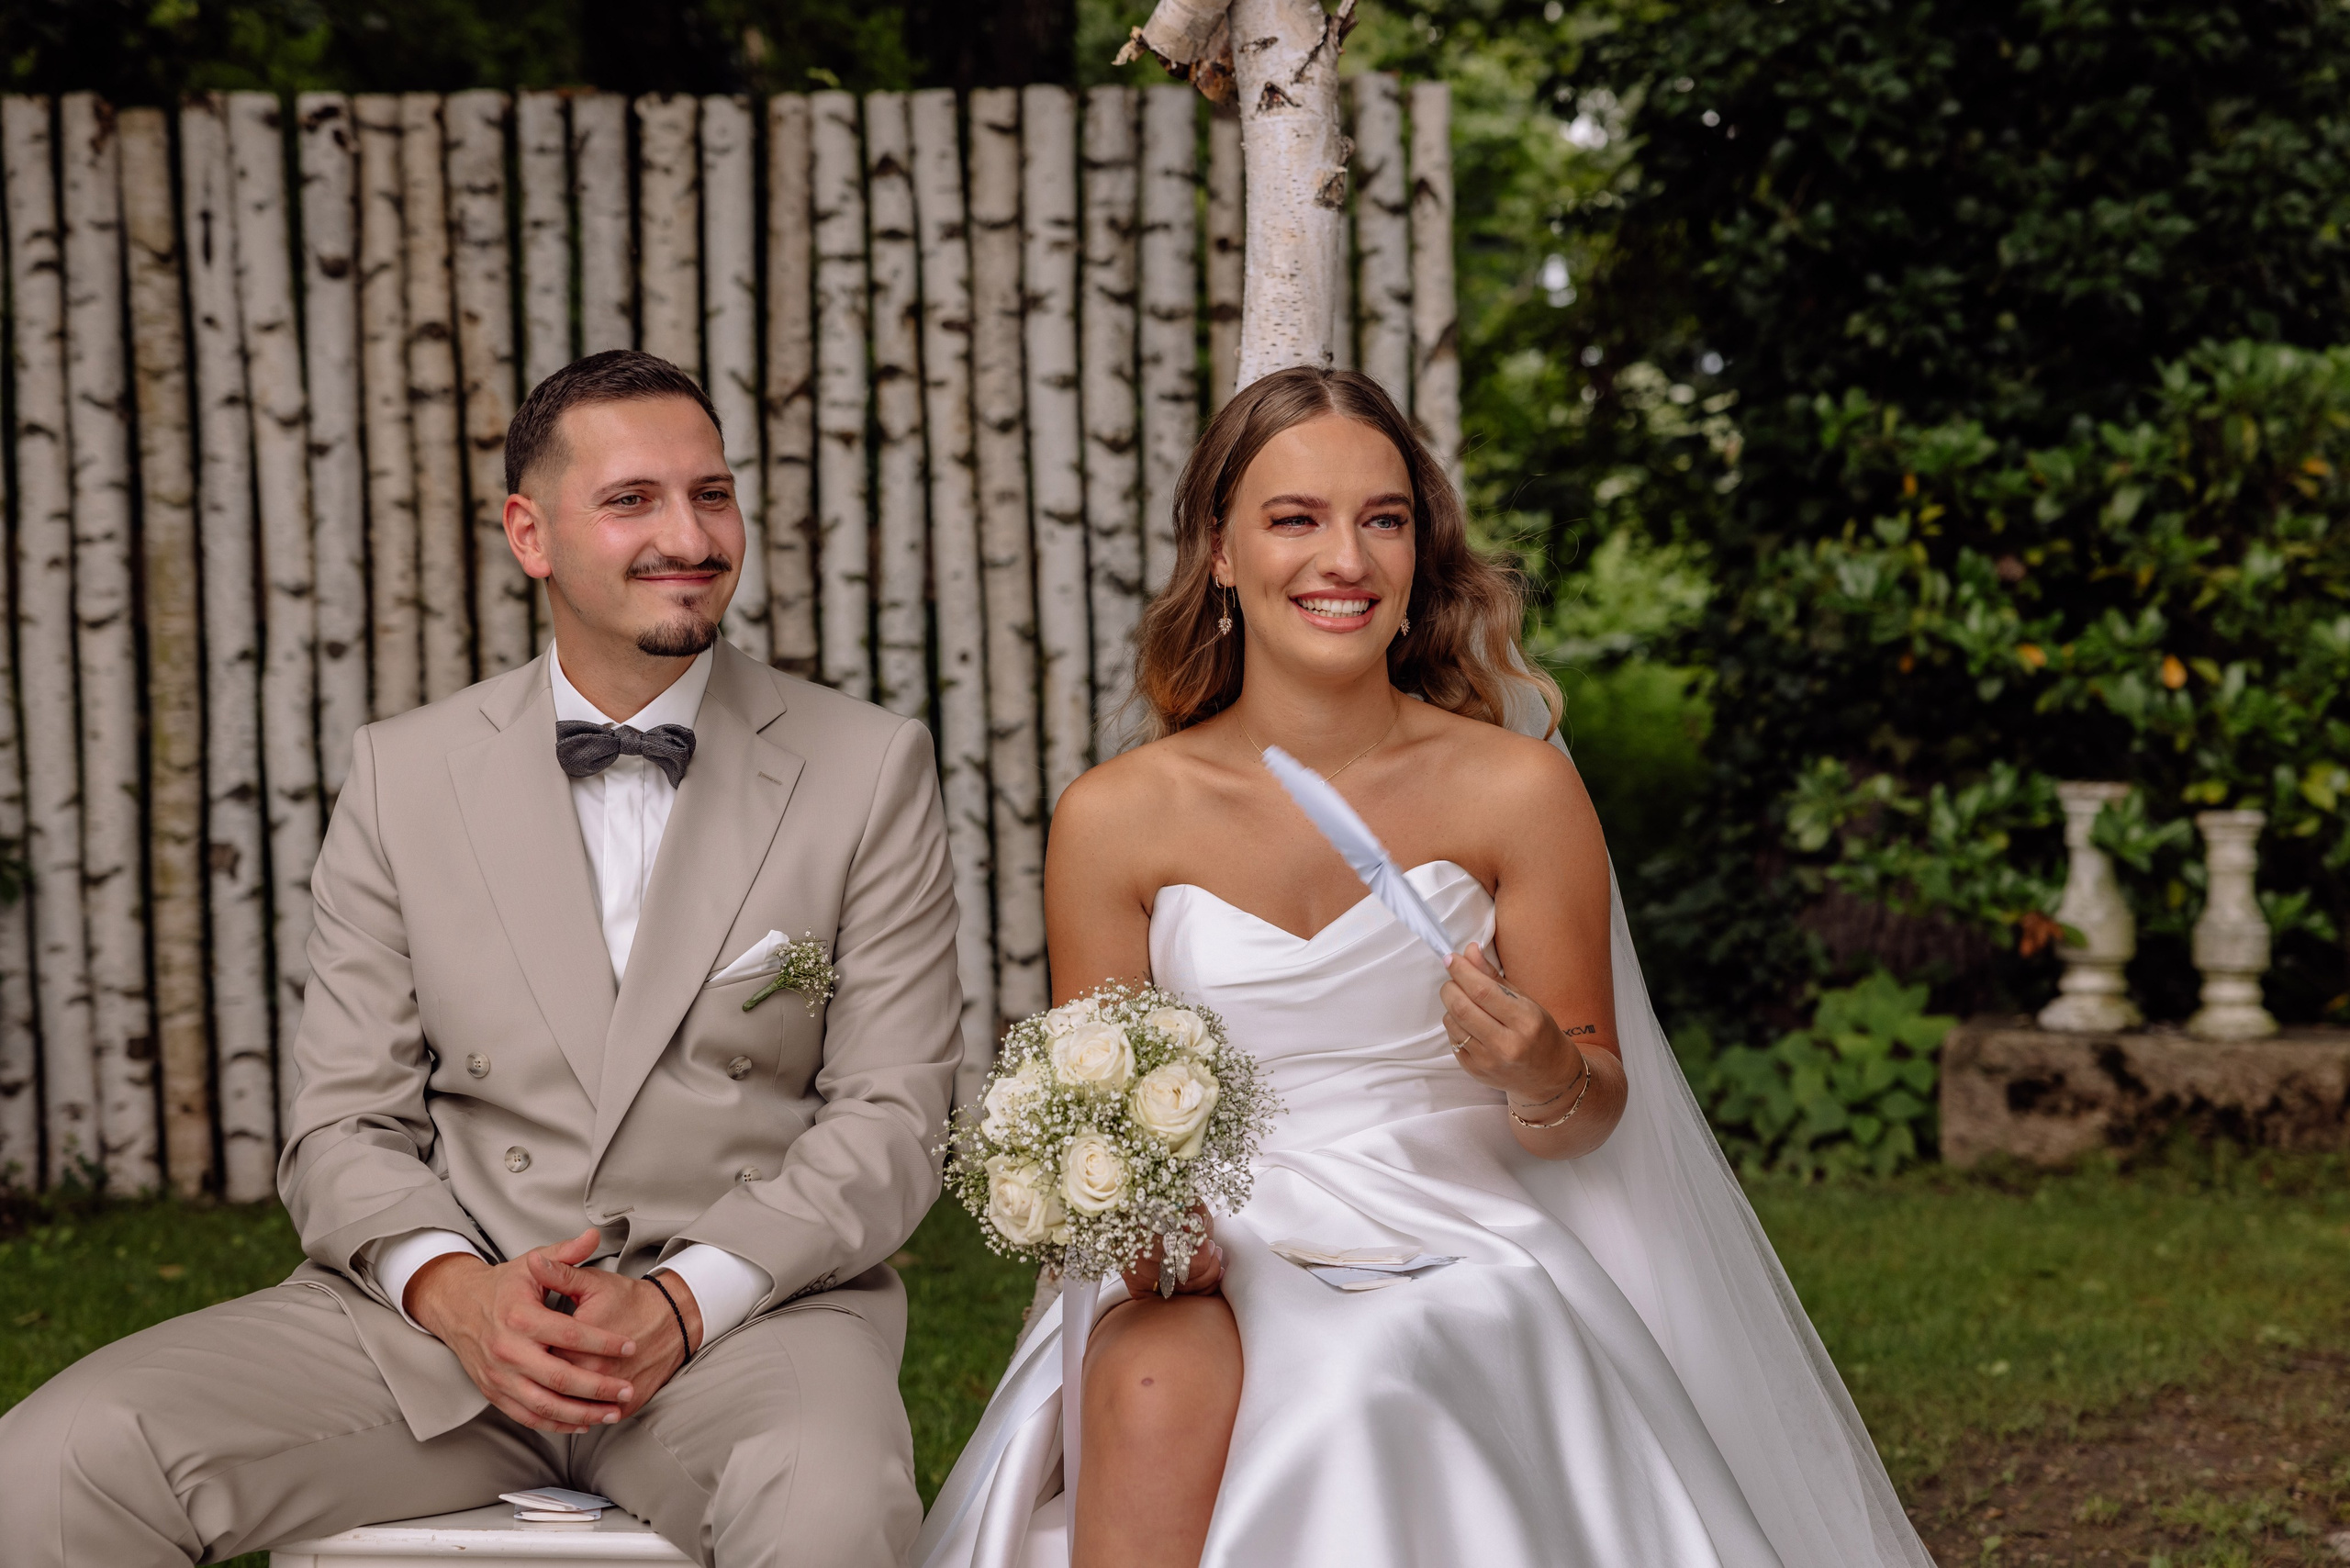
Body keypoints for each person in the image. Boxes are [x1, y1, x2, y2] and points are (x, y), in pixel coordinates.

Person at [912, 366, 1935, 1568]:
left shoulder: (1516, 786)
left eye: (1381, 519)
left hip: (1451, 1238)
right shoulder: (1116, 818)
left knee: (1359, 1381)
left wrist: (1546, 1065)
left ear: (1419, 551)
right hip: (1206, 1251)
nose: (1343, 557)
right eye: (1295, 519)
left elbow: (1587, 1114)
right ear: (1223, 555)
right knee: (1144, 1388)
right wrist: (1145, 1227)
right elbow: (1104, 1114)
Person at [0, 351, 960, 1567]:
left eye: (711, 495)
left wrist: (679, 1302)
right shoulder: (406, 774)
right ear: (531, 532)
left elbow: (894, 1116)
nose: (691, 535)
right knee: (59, 1461)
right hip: (436, 1334)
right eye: (633, 502)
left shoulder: (868, 768)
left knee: (832, 1502)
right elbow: (345, 1122)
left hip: (748, 1322)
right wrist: (459, 1297)